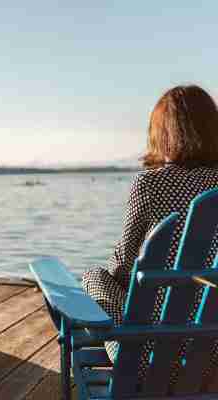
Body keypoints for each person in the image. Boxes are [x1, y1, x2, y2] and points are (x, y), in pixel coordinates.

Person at [82, 85, 218, 385]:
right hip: (213, 353)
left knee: (94, 276)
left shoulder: (149, 185)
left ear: (164, 134)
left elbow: (123, 266)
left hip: (146, 356)